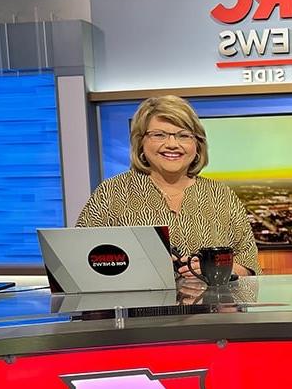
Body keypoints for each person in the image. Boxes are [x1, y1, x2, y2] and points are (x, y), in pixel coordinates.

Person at [76, 95, 260, 278]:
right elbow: (79, 260)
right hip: (137, 305)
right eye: (159, 135)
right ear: (141, 142)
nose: (172, 144)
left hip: (210, 306)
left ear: (197, 144)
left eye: (183, 135)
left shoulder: (220, 194)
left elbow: (249, 264)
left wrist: (219, 269)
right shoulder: (111, 193)